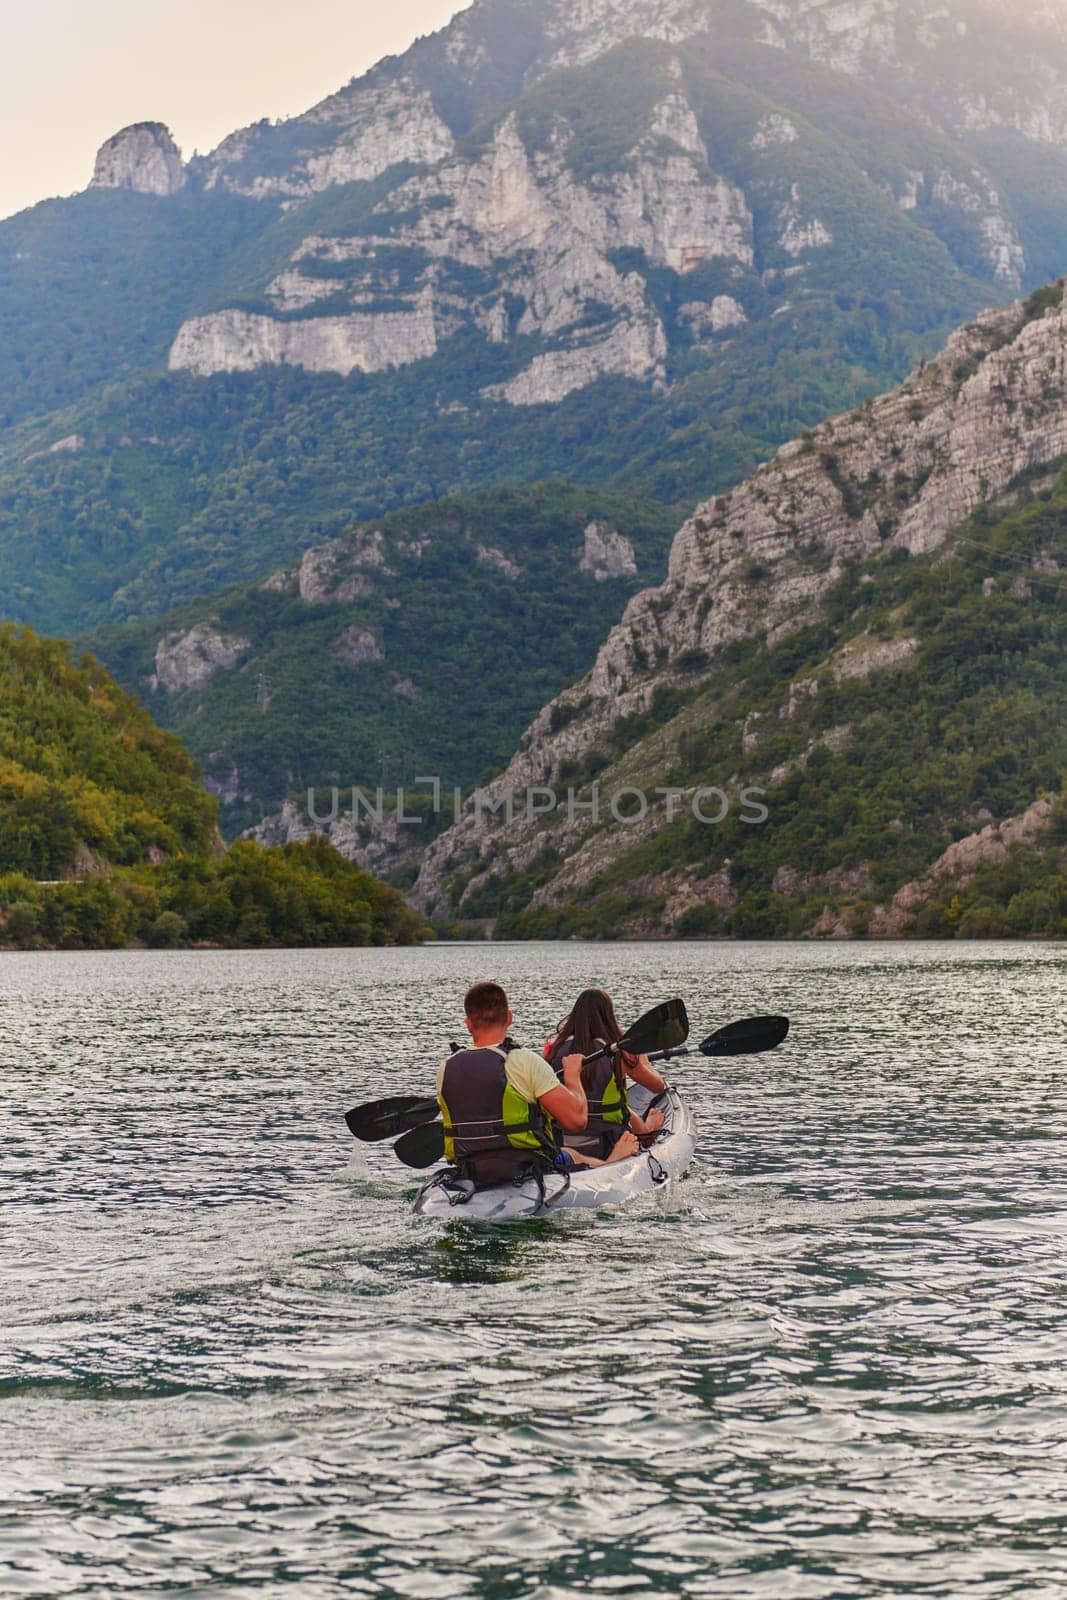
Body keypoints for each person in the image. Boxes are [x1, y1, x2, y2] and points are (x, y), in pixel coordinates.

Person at [437, 981, 617, 1190]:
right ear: (510, 1018)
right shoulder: (525, 1061)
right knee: (573, 1154)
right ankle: (614, 1161)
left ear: (468, 1024)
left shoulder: (446, 1068)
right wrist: (572, 1077)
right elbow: (576, 1121)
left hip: (471, 1168)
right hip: (526, 1166)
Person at [545, 988, 667, 1162]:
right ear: (609, 1015)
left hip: (560, 1138)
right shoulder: (620, 1052)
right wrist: (642, 1061)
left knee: (624, 1107)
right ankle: (647, 1132)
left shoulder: (554, 1050)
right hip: (610, 1140)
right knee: (622, 1107)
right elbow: (658, 1086)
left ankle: (646, 1131)